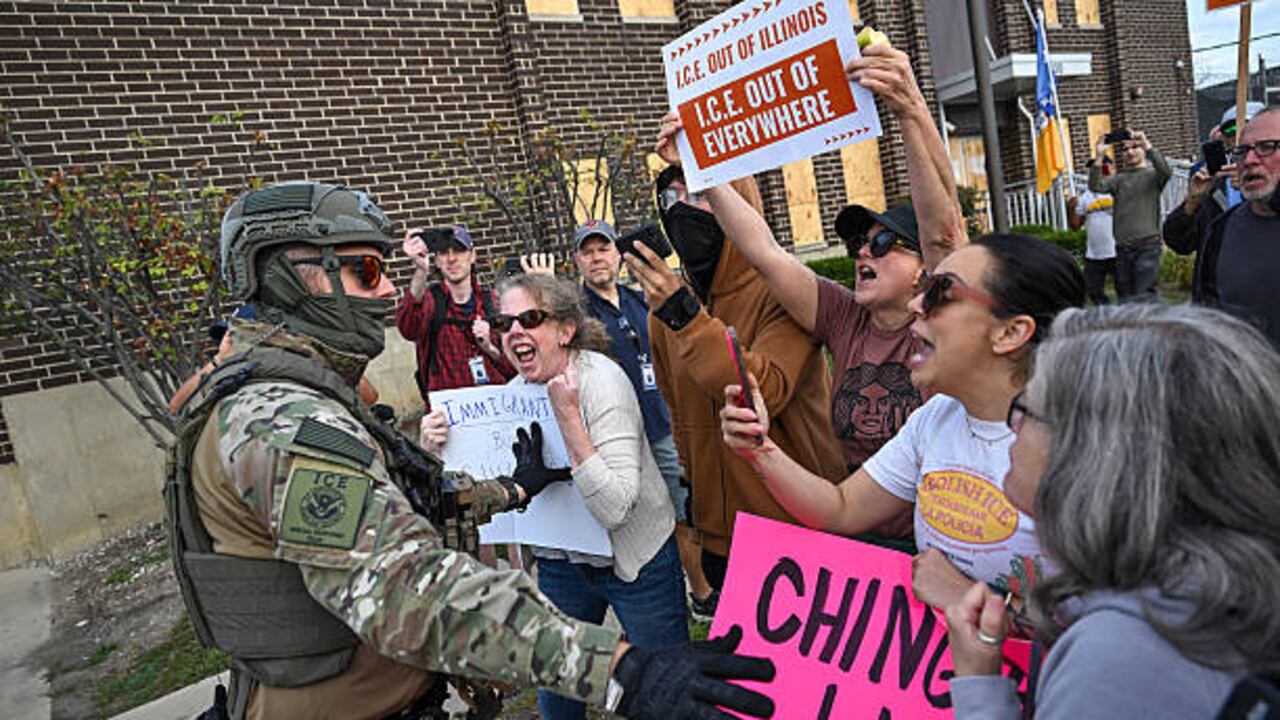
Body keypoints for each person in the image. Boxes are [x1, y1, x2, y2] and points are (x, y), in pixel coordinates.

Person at [167, 181, 776, 720]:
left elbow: (416, 501)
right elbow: (402, 588)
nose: (384, 298)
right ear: (293, 277)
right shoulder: (283, 420)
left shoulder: (302, 397)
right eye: (367, 274)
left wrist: (513, 489)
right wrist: (619, 671)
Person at [678, 43, 965, 551]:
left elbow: (944, 233)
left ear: (925, 267)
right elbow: (765, 251)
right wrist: (702, 168)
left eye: (881, 244)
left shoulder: (950, 316)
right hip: (864, 531)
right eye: (857, 244)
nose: (862, 255)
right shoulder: (845, 317)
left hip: (947, 541)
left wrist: (910, 111)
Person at [944, 303, 1280, 719]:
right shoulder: (1219, 592)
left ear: (1095, 455)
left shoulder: (1125, 662)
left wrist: (979, 687)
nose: (1012, 426)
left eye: (1027, 409)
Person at [721, 233, 1085, 612]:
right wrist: (759, 449)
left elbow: (1118, 623)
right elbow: (840, 507)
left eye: (941, 294)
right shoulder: (935, 417)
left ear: (1010, 332)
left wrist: (968, 599)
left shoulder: (1088, 448)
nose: (915, 304)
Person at [423, 272, 690, 720]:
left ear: (566, 330)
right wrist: (432, 450)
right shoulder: (509, 400)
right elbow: (460, 500)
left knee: (668, 690)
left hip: (634, 562)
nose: (514, 333)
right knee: (556, 700)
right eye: (504, 323)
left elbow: (614, 508)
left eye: (530, 318)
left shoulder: (604, 382)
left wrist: (569, 420)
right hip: (563, 567)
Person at [624, 170, 845, 595]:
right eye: (672, 198)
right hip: (720, 538)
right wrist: (696, 499)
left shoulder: (783, 291)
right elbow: (679, 417)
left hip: (797, 528)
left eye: (704, 194)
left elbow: (763, 391)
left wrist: (687, 318)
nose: (685, 209)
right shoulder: (662, 312)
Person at [570, 219, 716, 616]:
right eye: (587, 251)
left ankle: (702, 596)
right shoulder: (577, 317)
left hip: (662, 427)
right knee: (640, 522)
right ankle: (645, 597)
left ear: (618, 255)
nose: (597, 258)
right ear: (577, 260)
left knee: (685, 512)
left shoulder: (641, 302)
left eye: (603, 249)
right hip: (617, 437)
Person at [1173, 107, 1280, 347]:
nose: (1250, 160)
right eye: (1242, 151)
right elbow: (1208, 313)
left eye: (1267, 147)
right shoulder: (1221, 230)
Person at [395, 223, 514, 409]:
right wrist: (420, 270)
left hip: (497, 412)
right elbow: (408, 328)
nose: (451, 259)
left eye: (459, 250)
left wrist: (489, 348)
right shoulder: (430, 302)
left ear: (472, 256)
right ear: (436, 260)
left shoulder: (493, 303)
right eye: (443, 252)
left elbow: (516, 369)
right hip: (448, 418)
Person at [1163, 103, 1265, 303]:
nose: (1239, 137)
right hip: (1216, 302)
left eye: (1249, 128)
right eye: (1231, 130)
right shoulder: (1212, 184)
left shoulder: (1272, 183)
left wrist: (1252, 192)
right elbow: (1179, 242)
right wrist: (1192, 201)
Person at [1088, 128, 1171, 301]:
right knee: (1126, 296)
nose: (1129, 152)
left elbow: (1166, 171)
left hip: (1147, 245)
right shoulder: (1119, 179)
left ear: (1142, 150)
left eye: (1134, 147)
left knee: (1145, 293)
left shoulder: (1153, 176)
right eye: (1125, 149)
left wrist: (1147, 144)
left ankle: (1153, 325)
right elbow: (1095, 186)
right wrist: (1099, 156)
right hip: (1123, 247)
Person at [1068, 155, 1117, 305]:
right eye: (1094, 170)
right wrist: (1071, 208)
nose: (1099, 173)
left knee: (1125, 290)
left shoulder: (1118, 191)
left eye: (1103, 168)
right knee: (1093, 290)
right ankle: (1107, 315)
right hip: (1094, 255)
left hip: (1118, 251)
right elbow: (1075, 226)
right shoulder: (1086, 197)